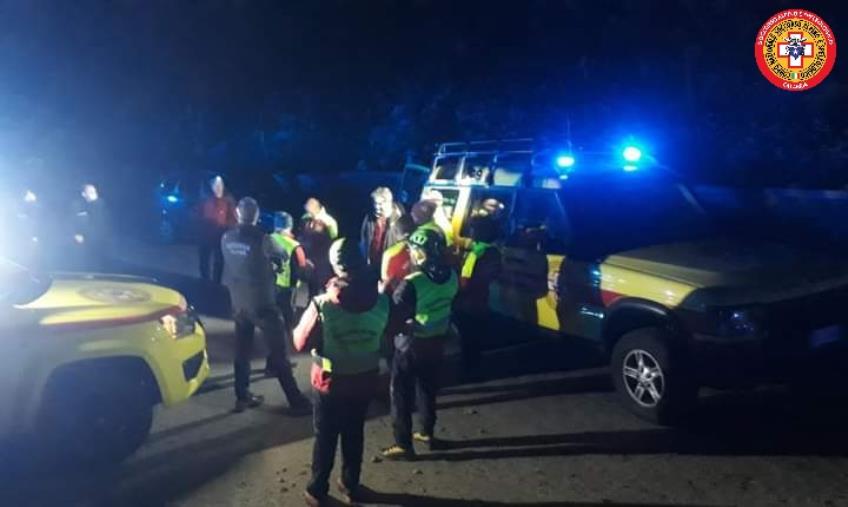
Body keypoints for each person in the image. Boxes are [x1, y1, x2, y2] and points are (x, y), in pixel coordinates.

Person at [292, 238, 388, 506]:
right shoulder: (382, 301)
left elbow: (300, 342)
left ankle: (317, 489)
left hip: (330, 383)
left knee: (325, 436)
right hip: (365, 380)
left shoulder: (322, 304)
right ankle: (350, 484)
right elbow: (387, 337)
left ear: (336, 265)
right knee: (354, 431)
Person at [221, 197, 311, 414]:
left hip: (239, 301)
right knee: (279, 353)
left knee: (242, 350)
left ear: (237, 214)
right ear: (257, 215)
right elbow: (280, 256)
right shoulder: (264, 239)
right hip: (263, 302)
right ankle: (296, 401)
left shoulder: (226, 237)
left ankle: (242, 396)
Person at [381, 228, 458, 460]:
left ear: (421, 252)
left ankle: (403, 444)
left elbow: (393, 317)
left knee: (401, 394)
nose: (411, 253)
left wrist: (384, 294)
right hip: (437, 341)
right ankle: (426, 431)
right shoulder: (452, 275)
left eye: (413, 249)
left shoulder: (412, 282)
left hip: (411, 345)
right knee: (427, 388)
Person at [266, 211, 313, 375]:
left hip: (267, 288)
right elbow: (302, 272)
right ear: (289, 226)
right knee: (286, 328)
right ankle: (278, 364)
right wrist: (308, 267)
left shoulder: (267, 239)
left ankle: (271, 364)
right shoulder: (295, 246)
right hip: (286, 291)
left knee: (271, 327)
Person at [455, 214, 502, 376]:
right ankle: (476, 368)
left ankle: (467, 372)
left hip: (468, 303)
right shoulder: (494, 251)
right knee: (477, 339)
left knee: (467, 339)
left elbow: (465, 281)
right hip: (483, 300)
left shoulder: (476, 253)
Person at [198, 176, 236, 284]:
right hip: (205, 235)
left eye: (220, 185)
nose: (218, 188)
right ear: (211, 187)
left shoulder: (228, 200)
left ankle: (216, 284)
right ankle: (204, 282)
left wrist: (226, 228)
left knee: (219, 262)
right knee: (204, 261)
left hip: (220, 235)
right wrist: (202, 225)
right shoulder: (205, 199)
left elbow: (233, 218)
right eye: (216, 185)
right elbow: (197, 214)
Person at [299, 198, 339, 296]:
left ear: (315, 208)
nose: (307, 212)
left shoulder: (329, 222)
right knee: (312, 287)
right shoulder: (305, 218)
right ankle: (312, 303)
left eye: (309, 210)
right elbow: (302, 235)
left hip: (323, 261)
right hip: (309, 259)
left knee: (326, 286)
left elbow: (334, 240)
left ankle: (327, 307)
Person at [360, 187, 408, 267]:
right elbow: (364, 238)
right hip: (371, 264)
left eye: (380, 204)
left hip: (390, 266)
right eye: (375, 203)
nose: (376, 207)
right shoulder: (369, 217)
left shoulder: (401, 220)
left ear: (389, 202)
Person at [73, 183, 111, 271]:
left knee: (98, 263)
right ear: (84, 194)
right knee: (83, 263)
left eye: (94, 191)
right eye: (90, 192)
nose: (93, 193)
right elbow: (71, 221)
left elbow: (103, 222)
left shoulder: (101, 204)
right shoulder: (77, 205)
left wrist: (95, 202)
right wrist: (75, 234)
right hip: (82, 242)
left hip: (99, 241)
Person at [379, 213, 415, 295]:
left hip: (395, 295)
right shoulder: (420, 249)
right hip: (415, 293)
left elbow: (385, 279)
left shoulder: (389, 254)